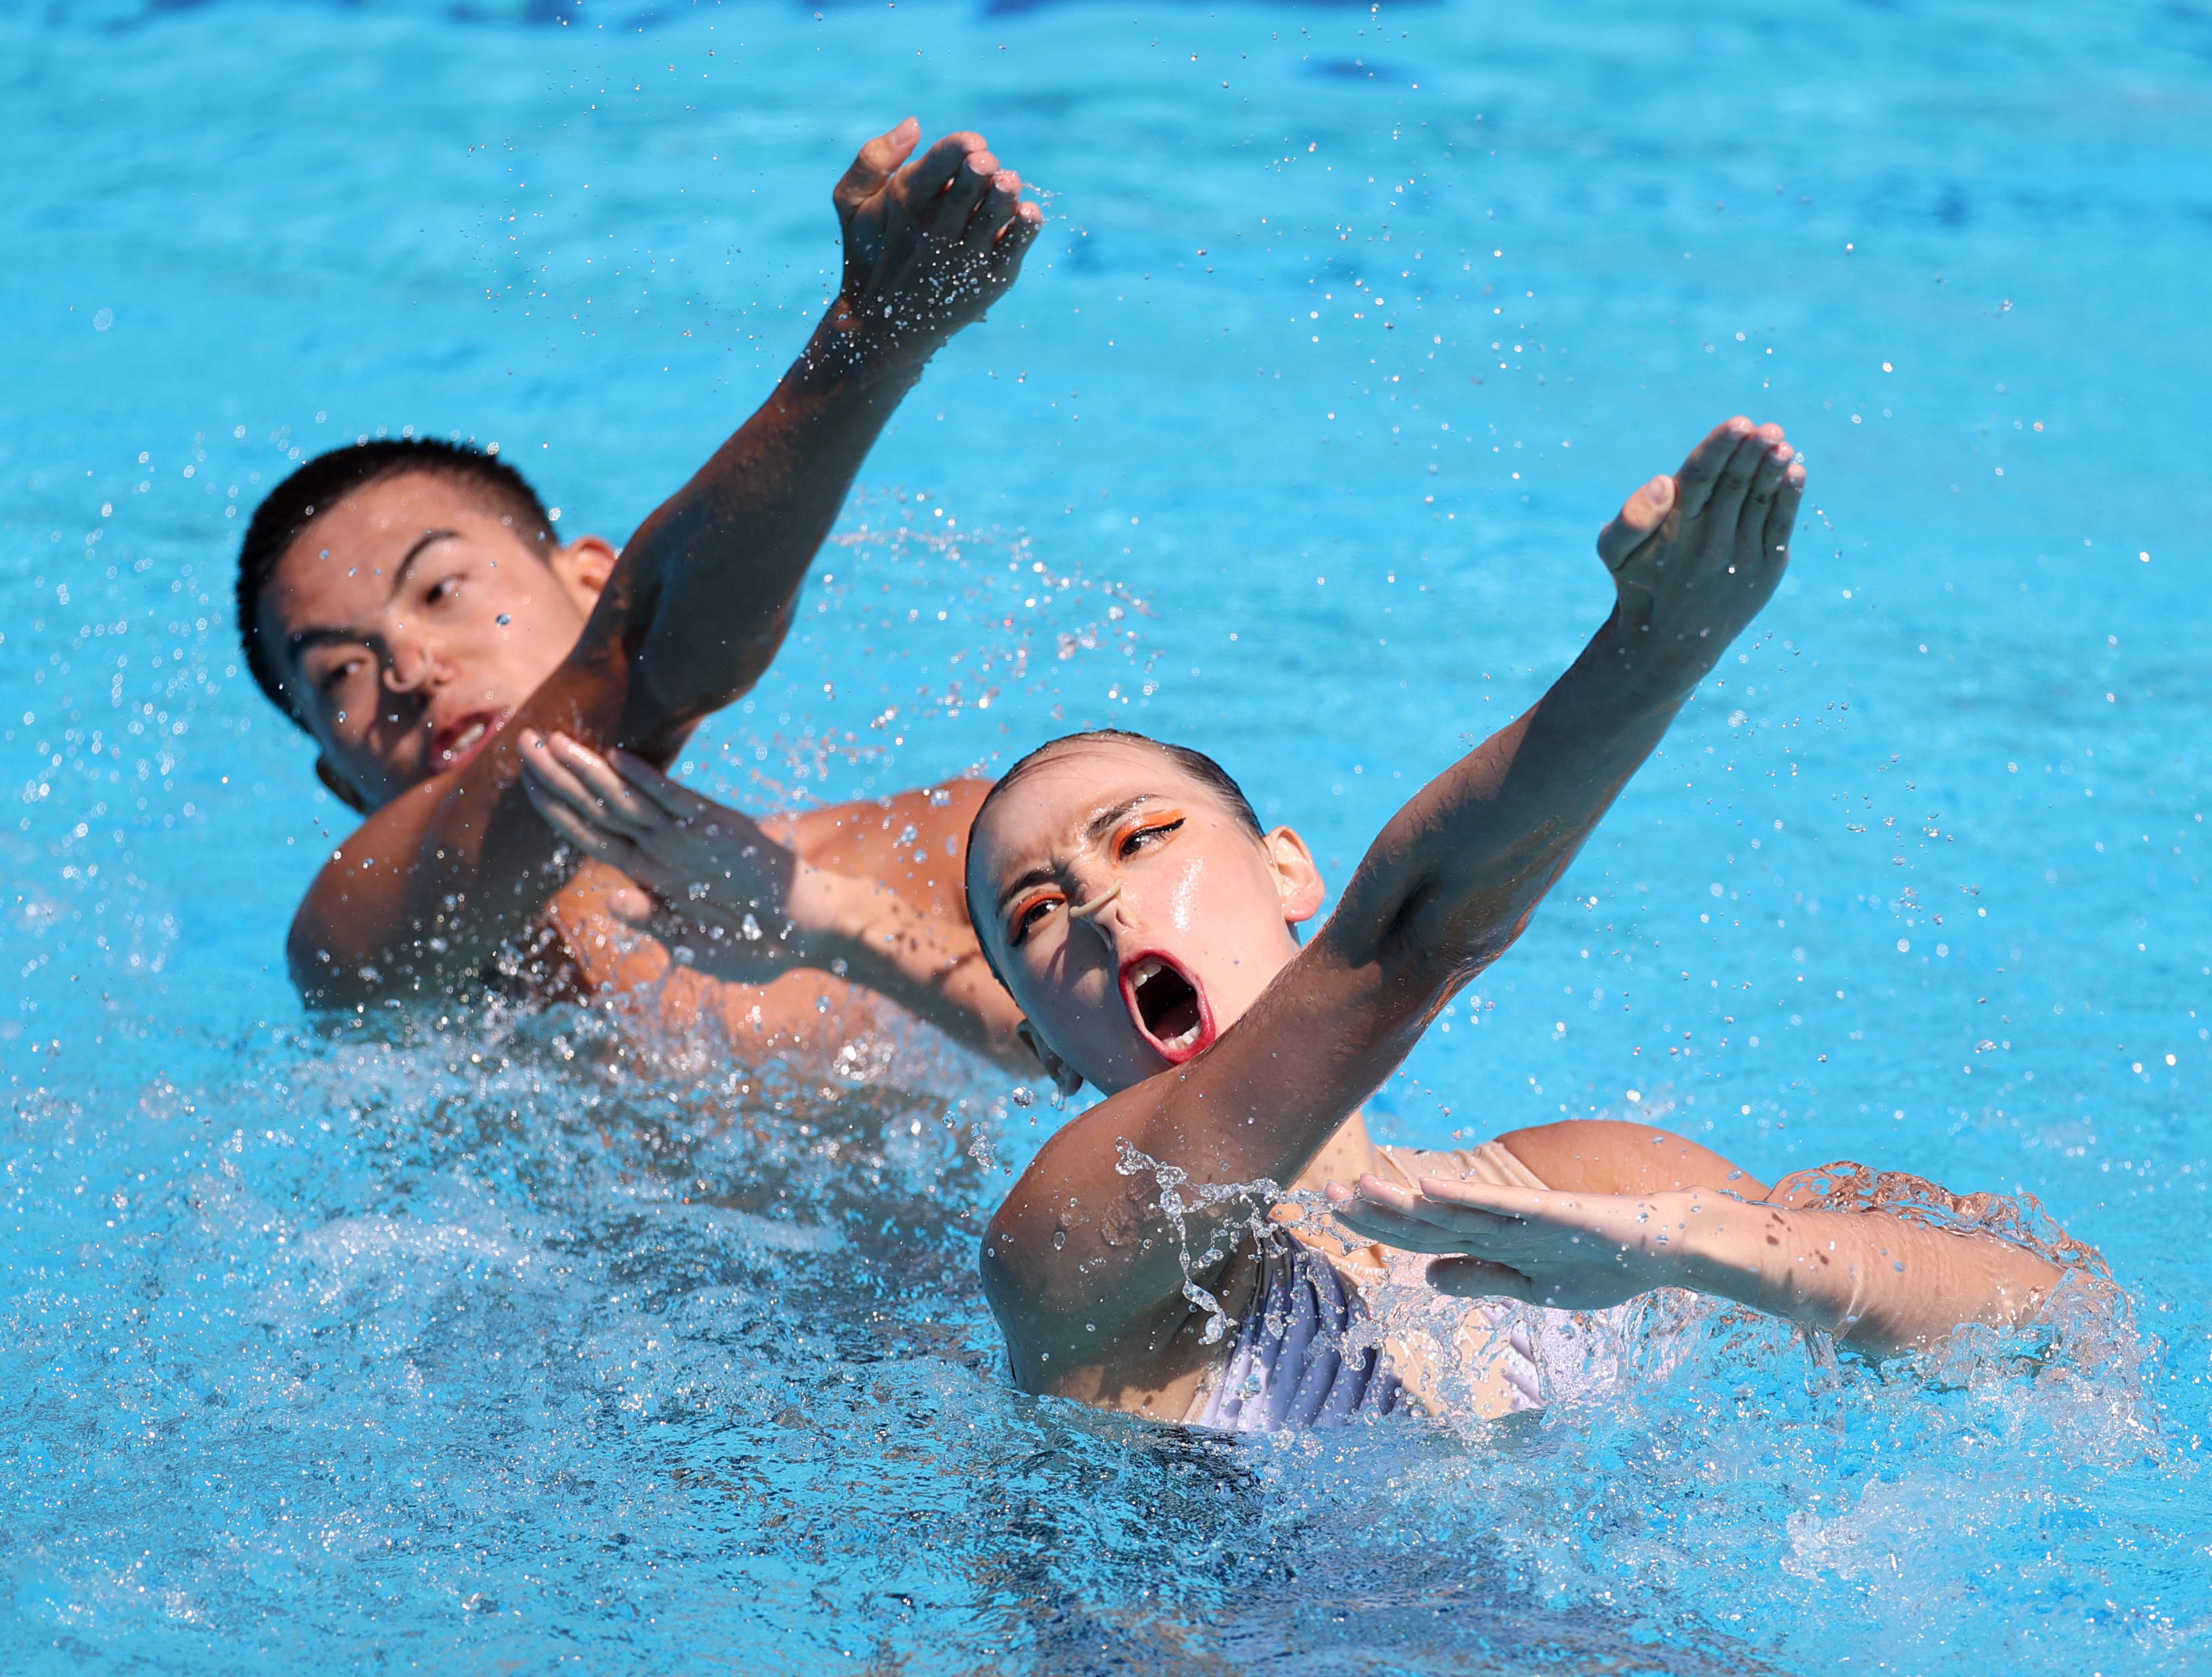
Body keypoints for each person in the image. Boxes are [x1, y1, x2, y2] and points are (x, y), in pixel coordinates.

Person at [529, 417, 2073, 1428]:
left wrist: (1703, 1250)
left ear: (1283, 867)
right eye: (1036, 911)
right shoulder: (1070, 1258)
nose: (1105, 898)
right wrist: (1653, 649)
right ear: (1047, 1047)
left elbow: (2057, 1325)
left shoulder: (1587, 1185)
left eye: (1140, 838)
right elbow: (1405, 944)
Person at [233, 120, 1042, 1071]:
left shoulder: (937, 852)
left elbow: (1182, 1074)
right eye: (342, 675)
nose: (411, 669)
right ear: (341, 782)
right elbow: (642, 670)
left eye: (443, 588)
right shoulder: (358, 953)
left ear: (589, 578)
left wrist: (839, 927)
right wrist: (867, 343)